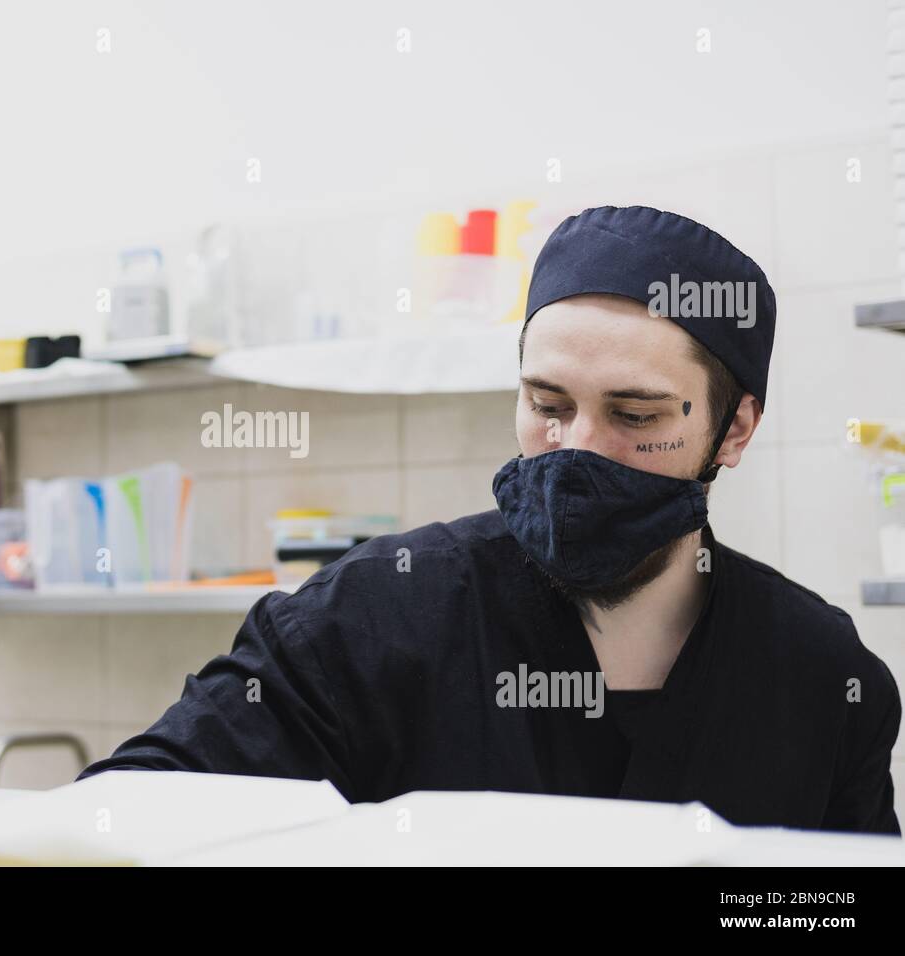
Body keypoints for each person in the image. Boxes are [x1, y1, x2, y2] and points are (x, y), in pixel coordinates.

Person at [77, 205, 900, 834]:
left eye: (637, 417)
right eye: (548, 404)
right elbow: (120, 822)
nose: (574, 449)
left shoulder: (824, 680)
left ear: (737, 429)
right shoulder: (367, 624)